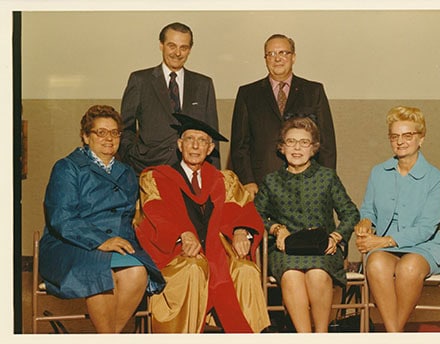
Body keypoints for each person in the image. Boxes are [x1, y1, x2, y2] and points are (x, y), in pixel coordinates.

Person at [134, 113, 271, 333]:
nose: (195, 146)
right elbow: (153, 214)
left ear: (210, 149)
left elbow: (243, 209)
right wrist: (182, 234)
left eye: (202, 141)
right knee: (194, 268)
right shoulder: (157, 178)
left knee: (246, 270)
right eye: (190, 139)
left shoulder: (224, 180)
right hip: (178, 256)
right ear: (180, 145)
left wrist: (240, 230)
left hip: (220, 257)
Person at [39, 105, 165, 333]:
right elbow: (61, 218)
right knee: (99, 271)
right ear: (86, 136)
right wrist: (101, 241)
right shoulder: (68, 168)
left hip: (116, 243)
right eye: (101, 132)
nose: (109, 138)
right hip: (69, 243)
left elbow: (127, 219)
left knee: (137, 271)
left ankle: (108, 335)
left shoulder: (126, 172)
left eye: (115, 132)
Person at [254, 116, 359, 332]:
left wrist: (336, 237)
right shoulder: (271, 181)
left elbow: (350, 213)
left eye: (304, 143)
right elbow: (256, 214)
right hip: (285, 250)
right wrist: (277, 229)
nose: (297, 148)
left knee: (317, 273)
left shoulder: (327, 177)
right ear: (281, 148)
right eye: (291, 142)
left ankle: (321, 334)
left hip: (323, 249)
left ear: (314, 149)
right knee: (292, 275)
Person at [354, 106, 440, 332]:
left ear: (421, 139)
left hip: (424, 247)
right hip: (386, 251)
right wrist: (366, 222)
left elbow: (426, 228)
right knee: (375, 263)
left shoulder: (436, 178)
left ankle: (391, 334)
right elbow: (368, 209)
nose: (400, 142)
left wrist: (382, 241)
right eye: (394, 136)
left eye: (408, 136)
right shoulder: (379, 172)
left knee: (408, 268)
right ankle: (395, 334)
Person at [231, 33, 337, 200]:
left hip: (307, 184)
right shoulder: (248, 94)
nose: (277, 58)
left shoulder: (313, 91)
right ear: (265, 59)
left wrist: (325, 183)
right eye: (271, 54)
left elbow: (326, 144)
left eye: (283, 53)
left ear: (293, 57)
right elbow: (239, 145)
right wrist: (248, 181)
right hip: (261, 186)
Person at [119, 22, 220, 175]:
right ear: (161, 45)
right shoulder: (140, 80)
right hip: (148, 170)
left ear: (190, 49)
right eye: (172, 46)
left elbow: (212, 136)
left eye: (183, 47)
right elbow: (125, 129)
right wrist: (133, 157)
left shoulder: (203, 84)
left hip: (191, 173)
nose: (177, 53)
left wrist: (213, 176)